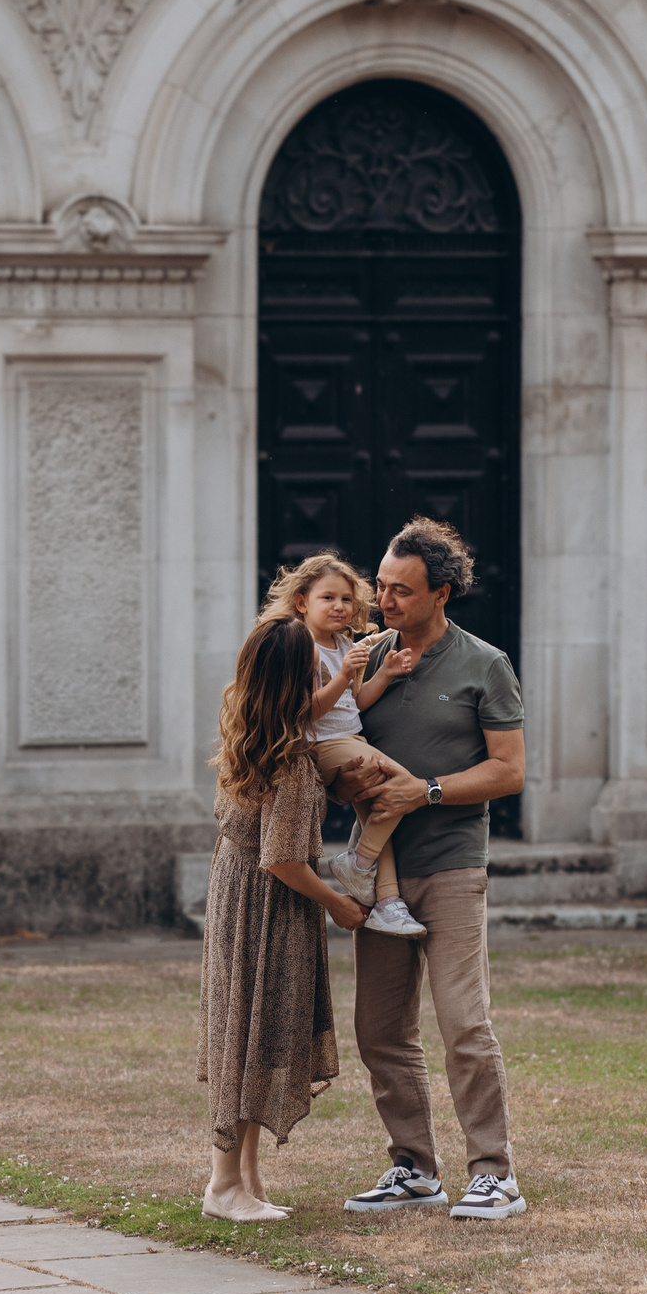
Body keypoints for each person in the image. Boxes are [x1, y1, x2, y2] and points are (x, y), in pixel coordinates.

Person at [330, 518, 528, 1221]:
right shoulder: (362, 657)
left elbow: (509, 771)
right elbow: (328, 738)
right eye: (381, 585)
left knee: (464, 1024)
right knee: (379, 1030)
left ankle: (495, 1175)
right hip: (378, 874)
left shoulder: (486, 665)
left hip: (450, 868)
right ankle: (414, 1168)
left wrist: (429, 790)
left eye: (402, 591)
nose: (383, 601)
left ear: (442, 593)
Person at [197, 613, 352, 1223]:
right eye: (312, 669)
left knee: (251, 1034)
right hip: (266, 904)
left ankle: (246, 1179)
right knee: (251, 1034)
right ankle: (222, 1186)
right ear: (294, 680)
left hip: (237, 893)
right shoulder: (287, 761)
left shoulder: (250, 733)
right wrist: (338, 903)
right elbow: (283, 859)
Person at [256, 554, 427, 939]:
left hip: (351, 739)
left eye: (347, 599)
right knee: (403, 784)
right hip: (324, 744)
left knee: (378, 809)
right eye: (328, 598)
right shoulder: (301, 645)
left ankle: (387, 903)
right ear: (302, 602)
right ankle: (359, 861)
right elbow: (307, 712)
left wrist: (384, 673)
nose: (339, 606)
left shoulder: (344, 643)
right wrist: (345, 671)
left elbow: (355, 702)